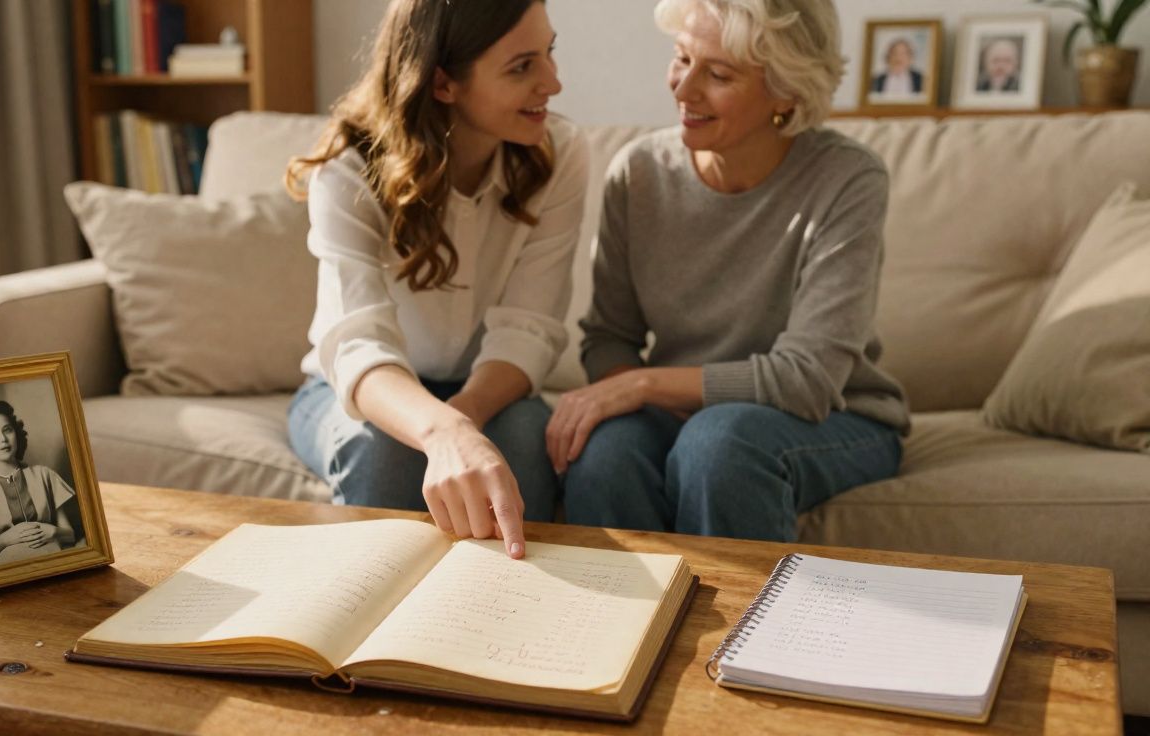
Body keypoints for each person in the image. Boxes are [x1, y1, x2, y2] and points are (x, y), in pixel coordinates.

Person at [546, 0, 909, 542]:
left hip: (835, 416)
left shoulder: (847, 179)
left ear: (786, 91)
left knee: (720, 443)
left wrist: (646, 384)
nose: (683, 89)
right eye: (681, 58)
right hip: (681, 416)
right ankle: (631, 625)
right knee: (604, 453)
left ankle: (743, 630)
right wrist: (639, 392)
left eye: (717, 74)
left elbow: (807, 380)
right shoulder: (640, 173)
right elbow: (608, 337)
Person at [285, 0, 587, 559]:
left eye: (549, 53)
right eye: (522, 67)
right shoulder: (350, 167)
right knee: (383, 451)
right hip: (358, 387)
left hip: (485, 386)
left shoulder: (559, 153)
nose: (554, 83)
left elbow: (529, 328)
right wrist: (441, 432)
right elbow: (358, 344)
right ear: (444, 83)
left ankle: (522, 617)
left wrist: (461, 420)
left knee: (521, 442)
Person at [0, 400, 80, 568]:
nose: (3, 439)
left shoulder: (44, 475)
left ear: (15, 433)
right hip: (11, 569)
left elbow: (70, 535)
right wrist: (7, 539)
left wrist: (52, 531)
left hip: (54, 561)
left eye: (7, 430)